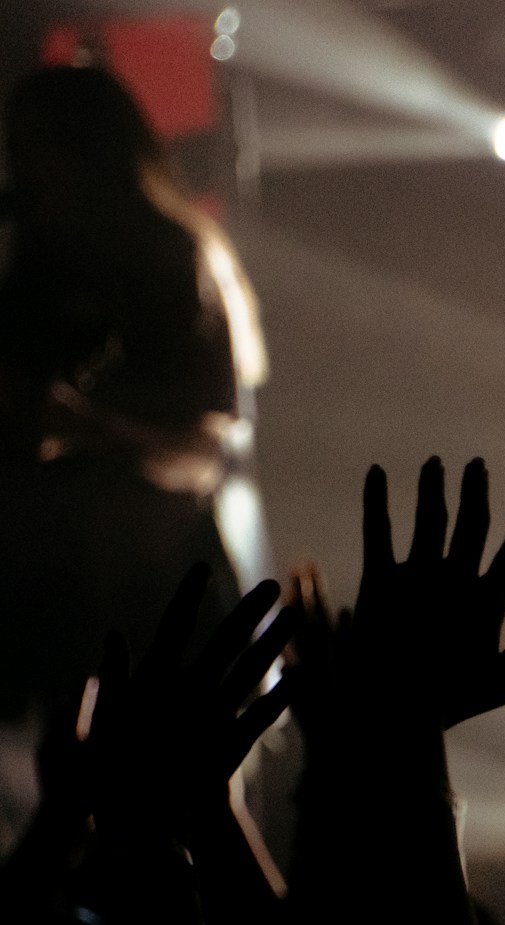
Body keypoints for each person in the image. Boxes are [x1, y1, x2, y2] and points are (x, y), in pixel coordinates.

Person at [0, 64, 271, 811]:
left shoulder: (171, 257)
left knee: (183, 822)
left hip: (158, 596)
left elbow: (203, 450)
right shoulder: (34, 265)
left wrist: (89, 428)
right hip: (66, 603)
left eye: (36, 145)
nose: (20, 166)